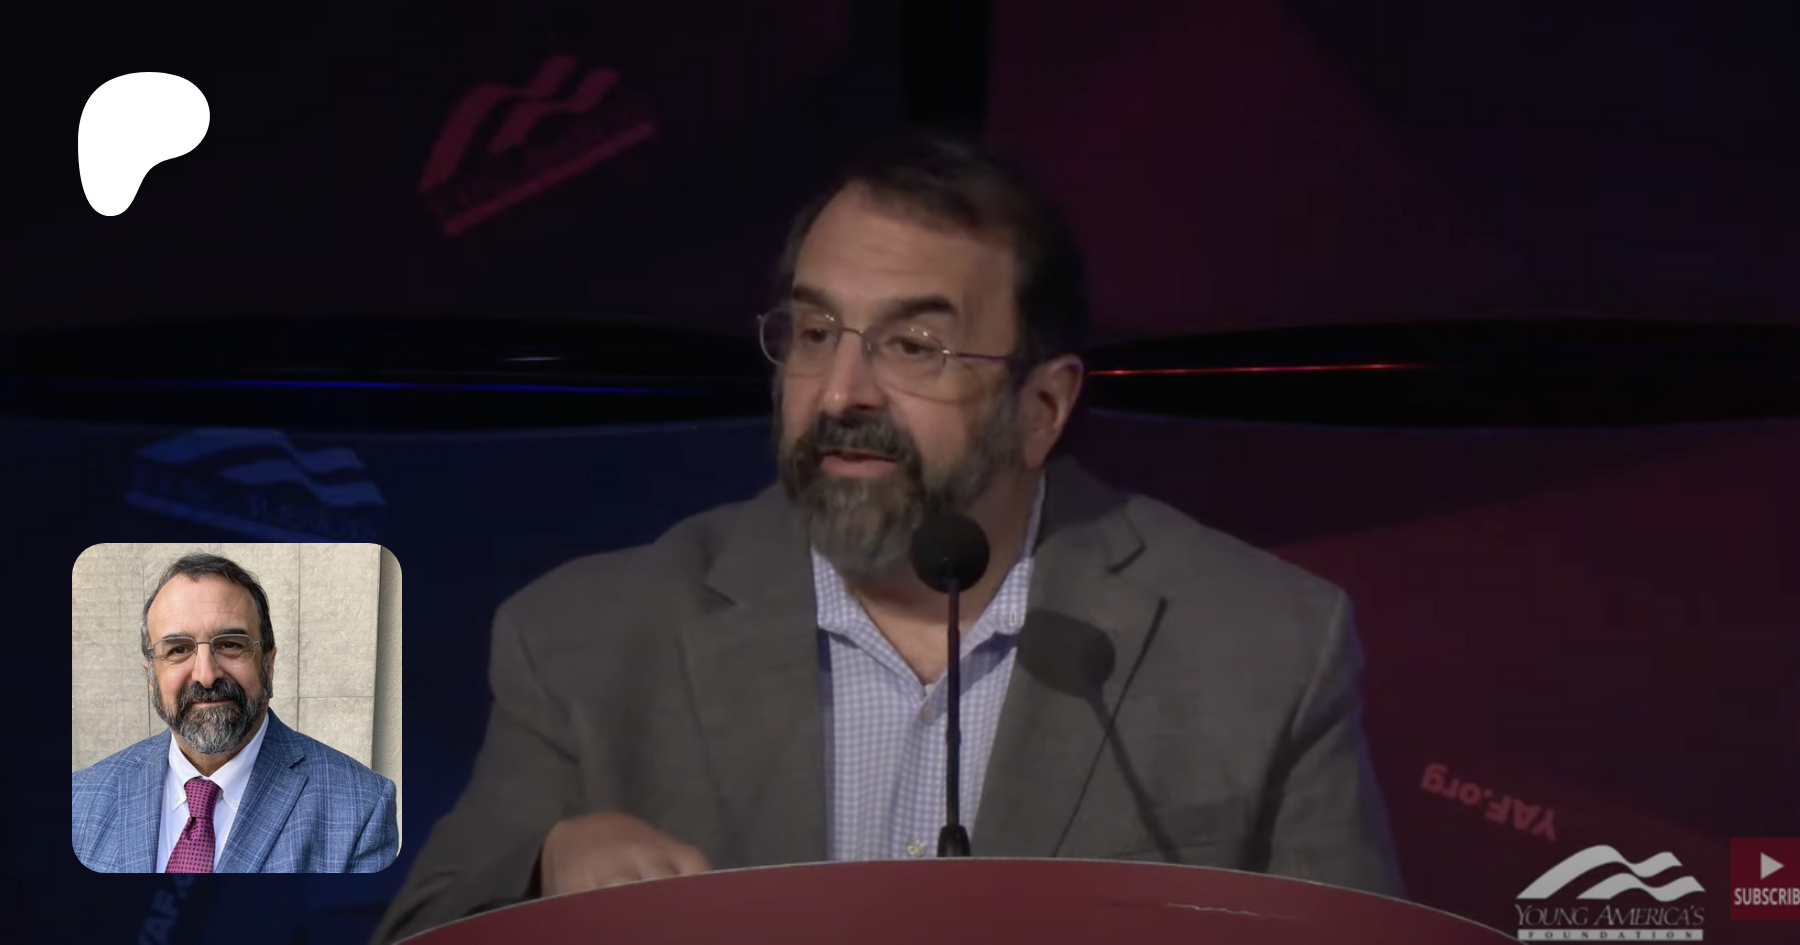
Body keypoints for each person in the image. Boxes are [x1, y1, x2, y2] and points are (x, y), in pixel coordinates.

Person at [374, 129, 1402, 942]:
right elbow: (425, 926)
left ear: (1042, 407)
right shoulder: (584, 639)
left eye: (915, 346)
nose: (841, 393)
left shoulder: (1262, 647)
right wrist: (547, 870)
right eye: (815, 333)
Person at [71, 552, 399, 873]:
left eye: (230, 644)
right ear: (151, 677)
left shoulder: (360, 808)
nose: (205, 675)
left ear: (268, 665)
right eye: (178, 649)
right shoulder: (80, 799)